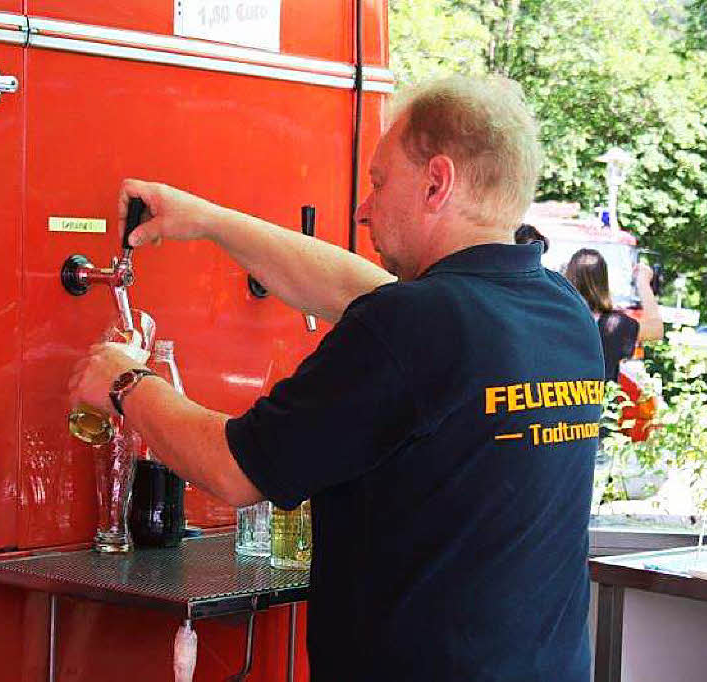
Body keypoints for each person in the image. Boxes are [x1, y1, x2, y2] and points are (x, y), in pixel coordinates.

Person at [69, 75, 604, 681]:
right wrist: (209, 221)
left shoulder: (414, 324)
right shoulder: (560, 312)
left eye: (379, 183)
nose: (364, 208)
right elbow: (359, 291)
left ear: (437, 182)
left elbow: (233, 469)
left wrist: (126, 383)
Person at [564, 248, 663, 384]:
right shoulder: (614, 324)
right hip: (596, 401)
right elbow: (656, 329)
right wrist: (643, 282)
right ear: (603, 282)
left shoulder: (551, 318)